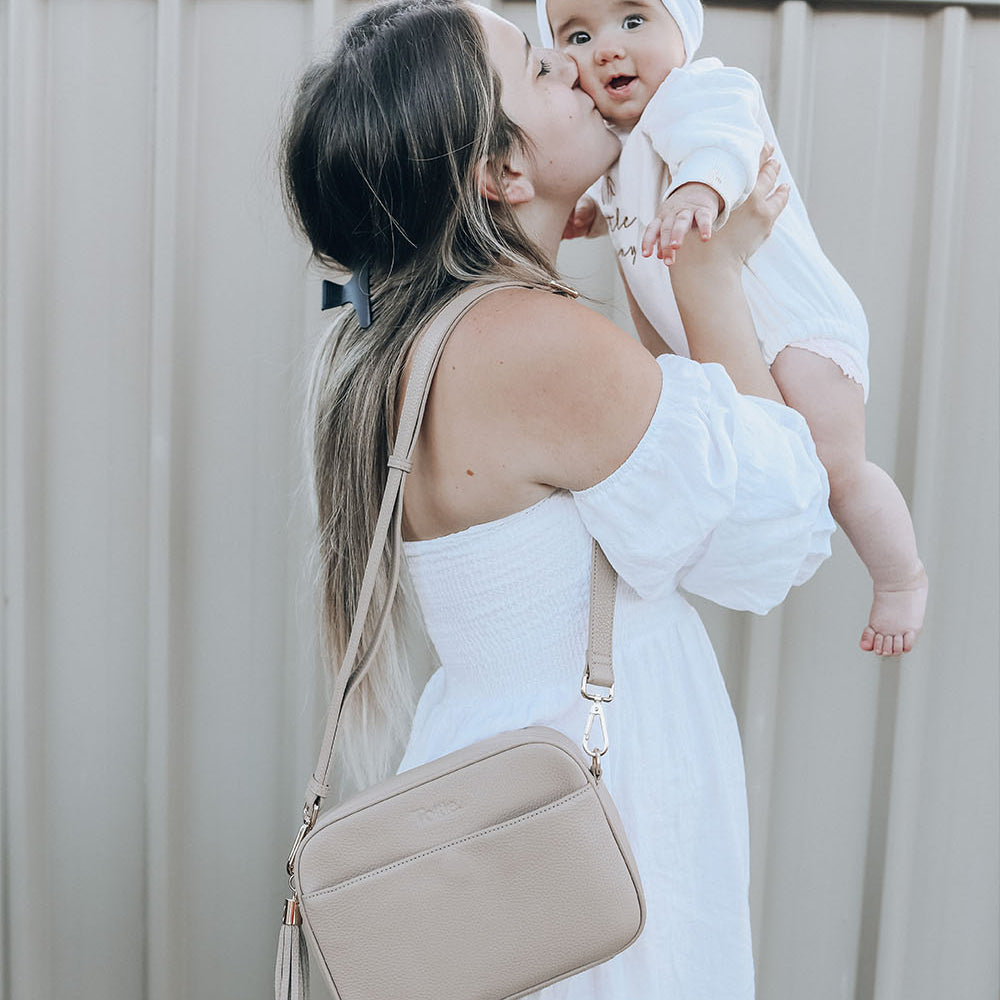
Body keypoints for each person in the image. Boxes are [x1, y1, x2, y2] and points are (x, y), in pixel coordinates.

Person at [279, 1, 835, 996]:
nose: (581, 72)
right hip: (588, 805)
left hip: (501, 787)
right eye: (543, 68)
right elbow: (781, 525)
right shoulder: (535, 343)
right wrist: (709, 281)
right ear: (500, 174)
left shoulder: (423, 338)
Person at [536, 0, 928, 655]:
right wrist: (590, 215)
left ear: (683, 35)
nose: (606, 47)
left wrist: (700, 191)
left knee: (834, 471)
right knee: (748, 458)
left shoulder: (702, 90)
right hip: (724, 337)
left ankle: (901, 577)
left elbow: (725, 145)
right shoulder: (616, 142)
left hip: (796, 327)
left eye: (633, 21)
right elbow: (626, 199)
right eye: (578, 35)